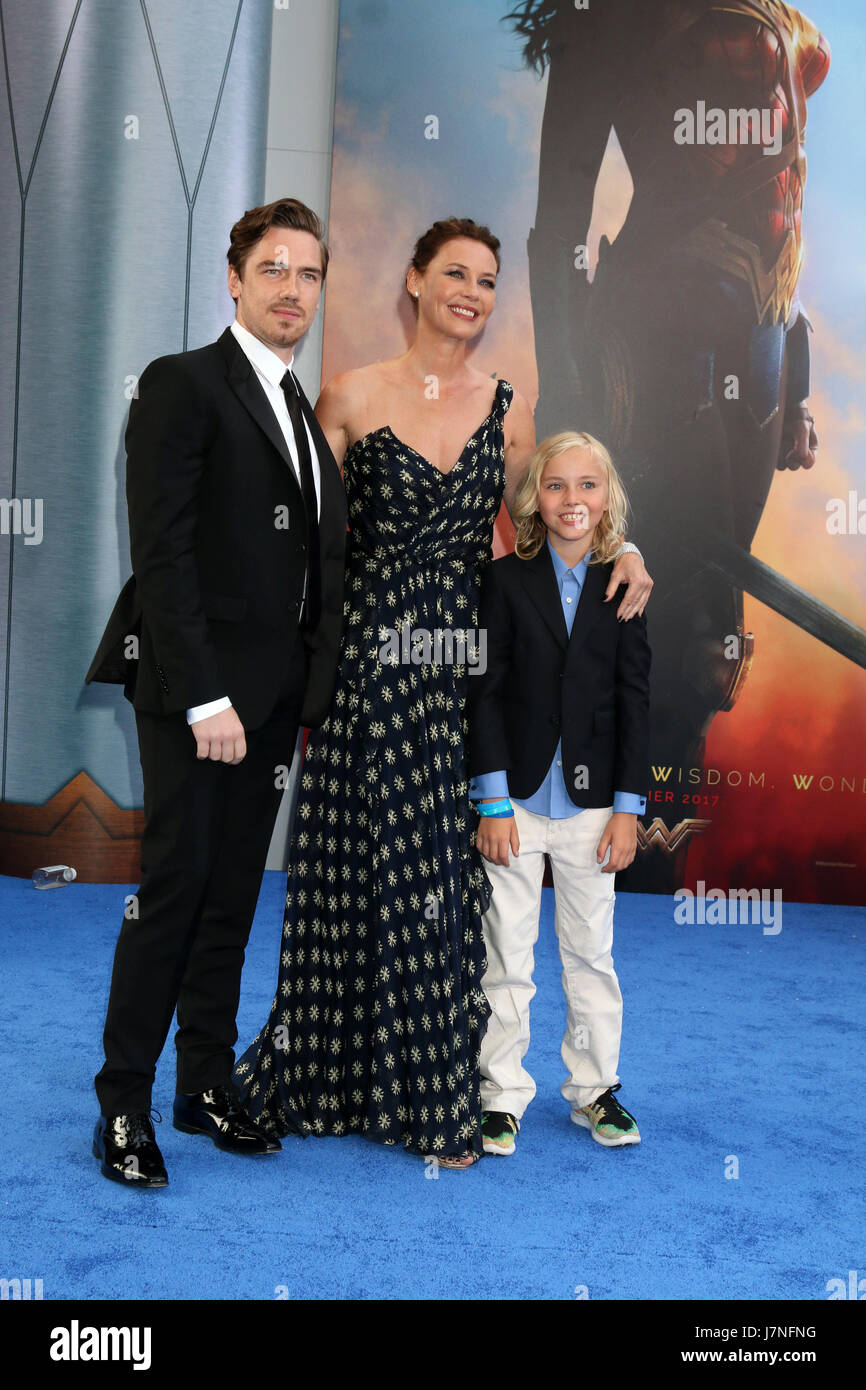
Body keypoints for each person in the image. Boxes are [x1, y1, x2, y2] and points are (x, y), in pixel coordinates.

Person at [234, 218, 652, 1167]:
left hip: (461, 669)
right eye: (454, 273)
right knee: (349, 871)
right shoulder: (344, 396)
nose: (472, 290)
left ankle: (431, 1096)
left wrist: (631, 550)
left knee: (441, 878)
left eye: (489, 279)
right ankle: (331, 1079)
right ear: (413, 281)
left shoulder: (508, 412)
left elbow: (562, 515)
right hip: (366, 665)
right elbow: (291, 534)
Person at [85, 198, 348, 1187]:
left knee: (232, 897)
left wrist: (303, 699)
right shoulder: (182, 384)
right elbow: (162, 556)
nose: (292, 289)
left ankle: (201, 1086)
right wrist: (203, 699)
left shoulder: (299, 411)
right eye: (273, 269)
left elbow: (312, 570)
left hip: (273, 707)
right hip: (199, 704)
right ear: (234, 280)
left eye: (309, 273)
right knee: (175, 893)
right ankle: (122, 1106)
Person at [467, 430, 650, 1156]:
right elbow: (484, 694)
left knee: (590, 955)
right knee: (506, 955)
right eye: (556, 486)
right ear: (531, 499)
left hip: (595, 806)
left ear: (609, 498)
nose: (572, 500)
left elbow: (635, 702)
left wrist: (630, 810)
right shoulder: (504, 580)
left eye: (588, 485)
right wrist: (489, 801)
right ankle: (500, 1094)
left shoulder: (626, 583)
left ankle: (595, 1090)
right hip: (512, 802)